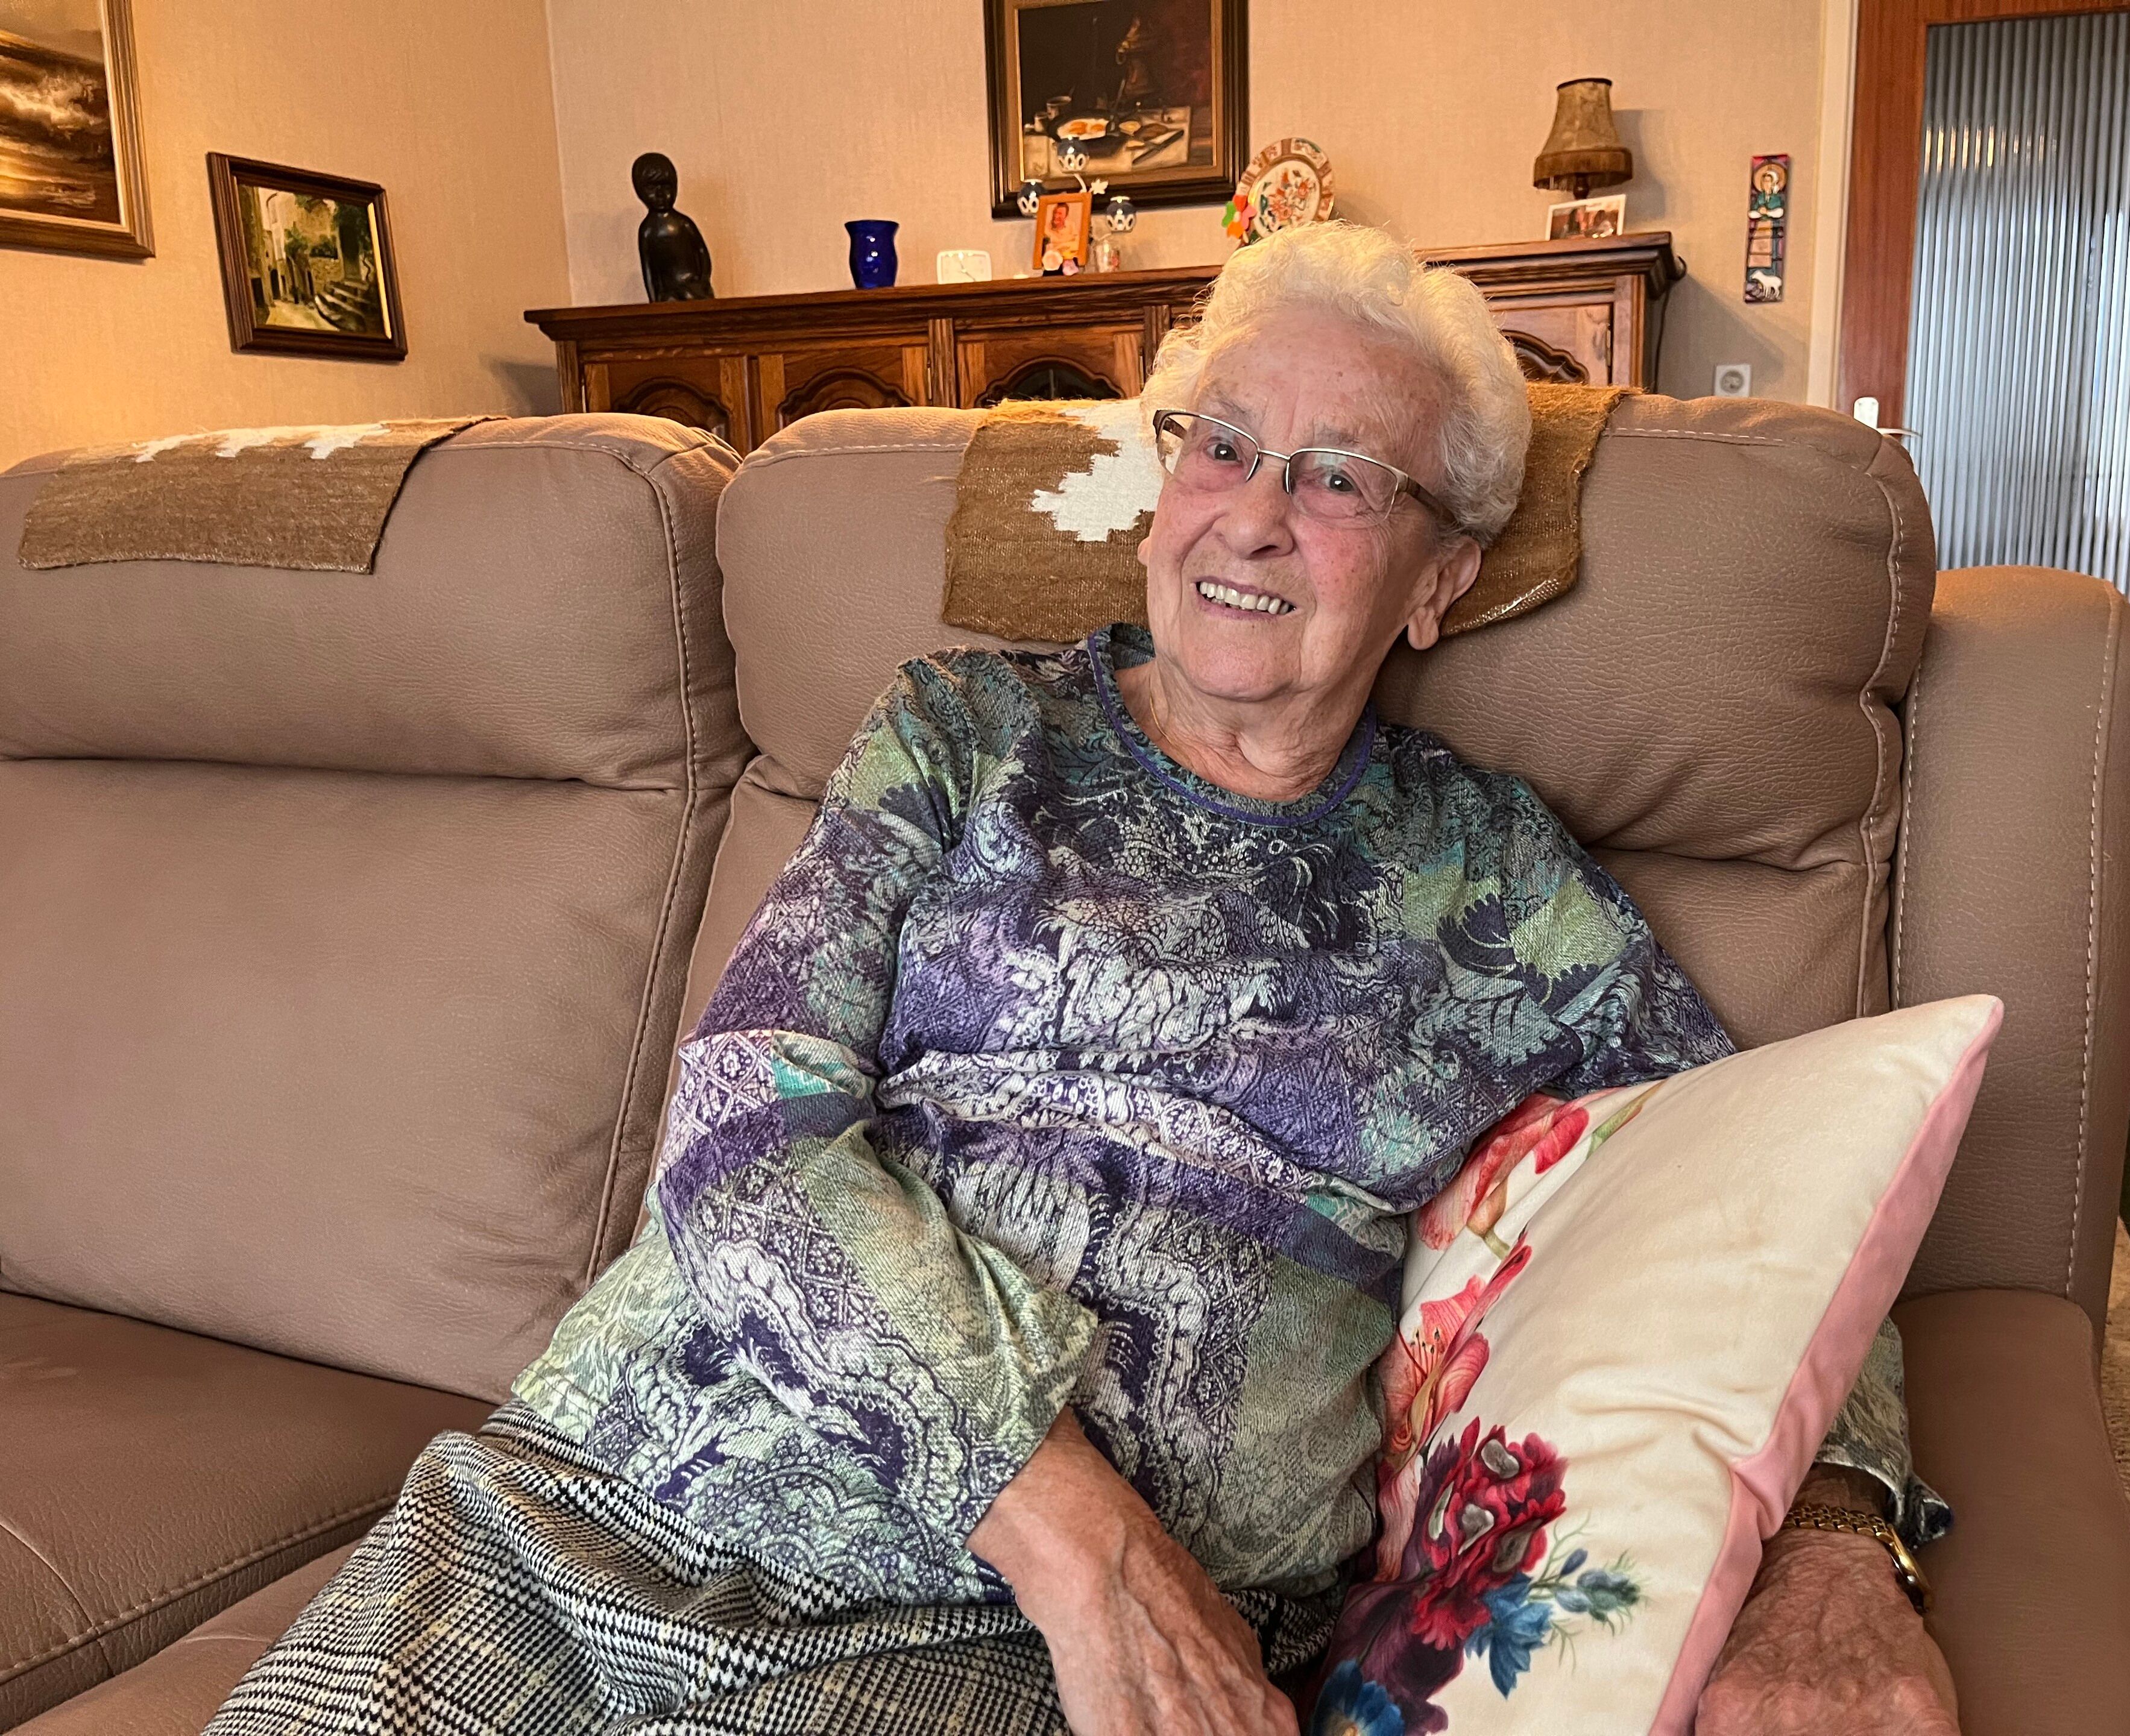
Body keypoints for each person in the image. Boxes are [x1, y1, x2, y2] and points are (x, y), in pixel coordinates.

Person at [207, 224, 1956, 1736]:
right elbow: (743, 1130)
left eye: (1341, 478)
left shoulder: (1487, 879)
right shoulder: (962, 732)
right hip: (615, 1495)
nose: (1252, 519)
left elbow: (1769, 1191)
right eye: (1223, 447)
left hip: (1010, 1652)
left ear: (1442, 581)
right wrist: (1074, 1534)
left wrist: (1835, 1543)